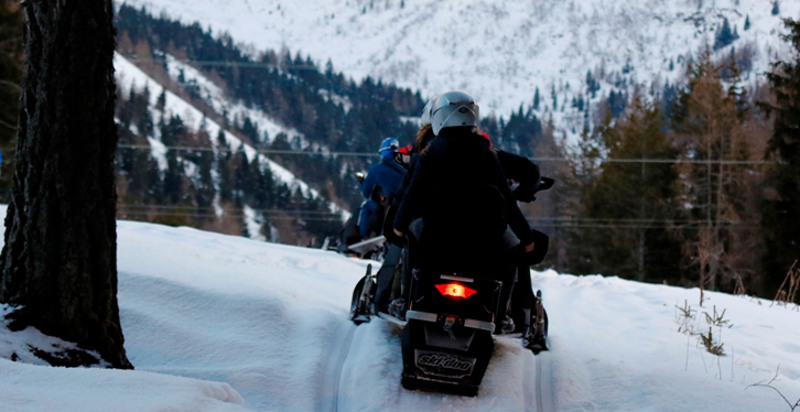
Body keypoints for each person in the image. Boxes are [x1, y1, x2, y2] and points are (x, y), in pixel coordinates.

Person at [392, 91, 535, 328]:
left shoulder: (429, 155)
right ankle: (500, 313)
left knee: (412, 238)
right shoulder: (489, 157)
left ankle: (407, 298)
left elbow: (411, 196)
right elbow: (508, 203)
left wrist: (398, 226)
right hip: (482, 248)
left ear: (439, 118)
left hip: (436, 243)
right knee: (511, 249)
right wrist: (527, 237)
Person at [358, 137, 407, 313]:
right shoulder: (406, 169)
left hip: (389, 213)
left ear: (382, 152)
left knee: (366, 208)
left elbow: (366, 192)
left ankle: (363, 235)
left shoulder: (377, 169)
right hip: (405, 215)